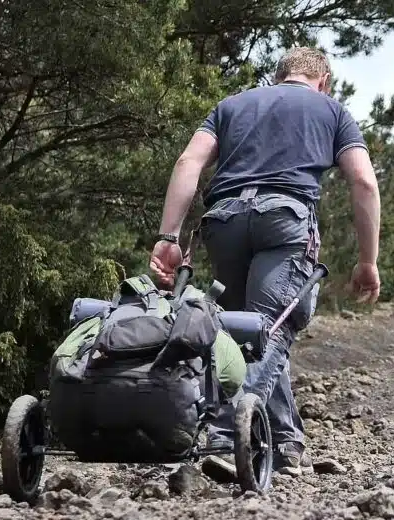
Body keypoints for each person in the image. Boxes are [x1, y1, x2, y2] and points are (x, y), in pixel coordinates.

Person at [148, 46, 381, 476]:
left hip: (225, 222)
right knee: (271, 330)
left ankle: (287, 441)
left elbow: (189, 161)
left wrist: (168, 237)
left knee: (246, 334)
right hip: (285, 220)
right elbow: (364, 182)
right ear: (324, 81)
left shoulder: (232, 105)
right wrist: (368, 260)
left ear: (279, 76)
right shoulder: (332, 110)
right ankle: (224, 435)